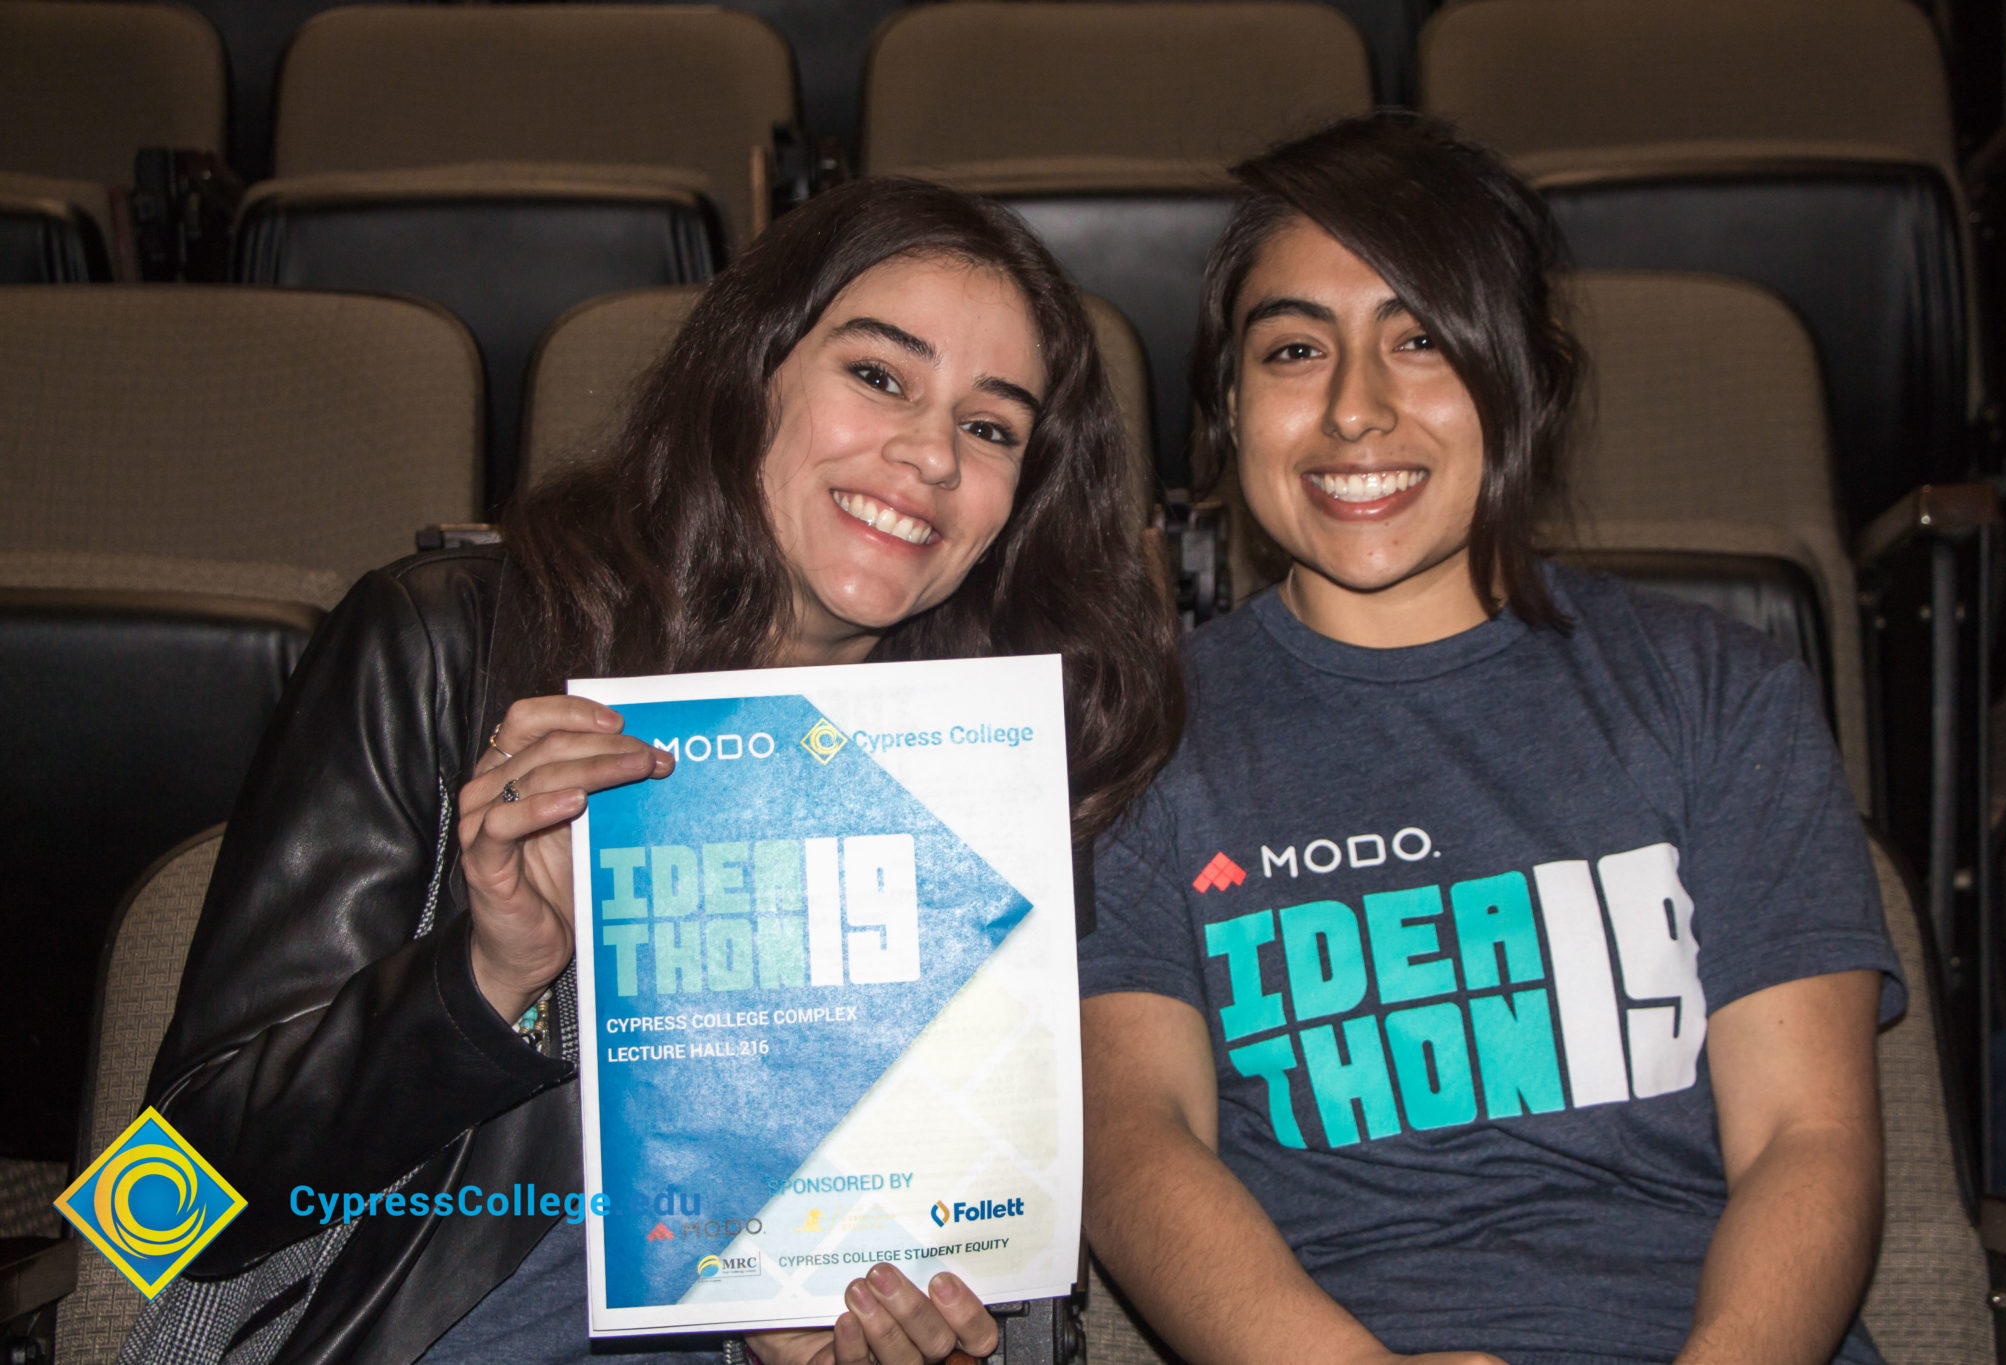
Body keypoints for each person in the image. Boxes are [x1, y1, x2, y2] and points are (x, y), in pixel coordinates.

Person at [134, 177, 1184, 1365]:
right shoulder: (448, 648)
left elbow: (1007, 1258)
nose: (930, 454)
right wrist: (485, 979)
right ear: (751, 372)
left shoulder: (994, 772)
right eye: (879, 376)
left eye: (990, 427)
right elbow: (155, 1210)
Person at [1077, 115, 1904, 1365]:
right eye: (1295, 349)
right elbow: (1134, 1140)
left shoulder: (1720, 694)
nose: (1355, 411)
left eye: (1420, 341)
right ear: (1229, 405)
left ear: (1520, 382)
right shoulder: (1141, 737)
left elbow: (1808, 1136)